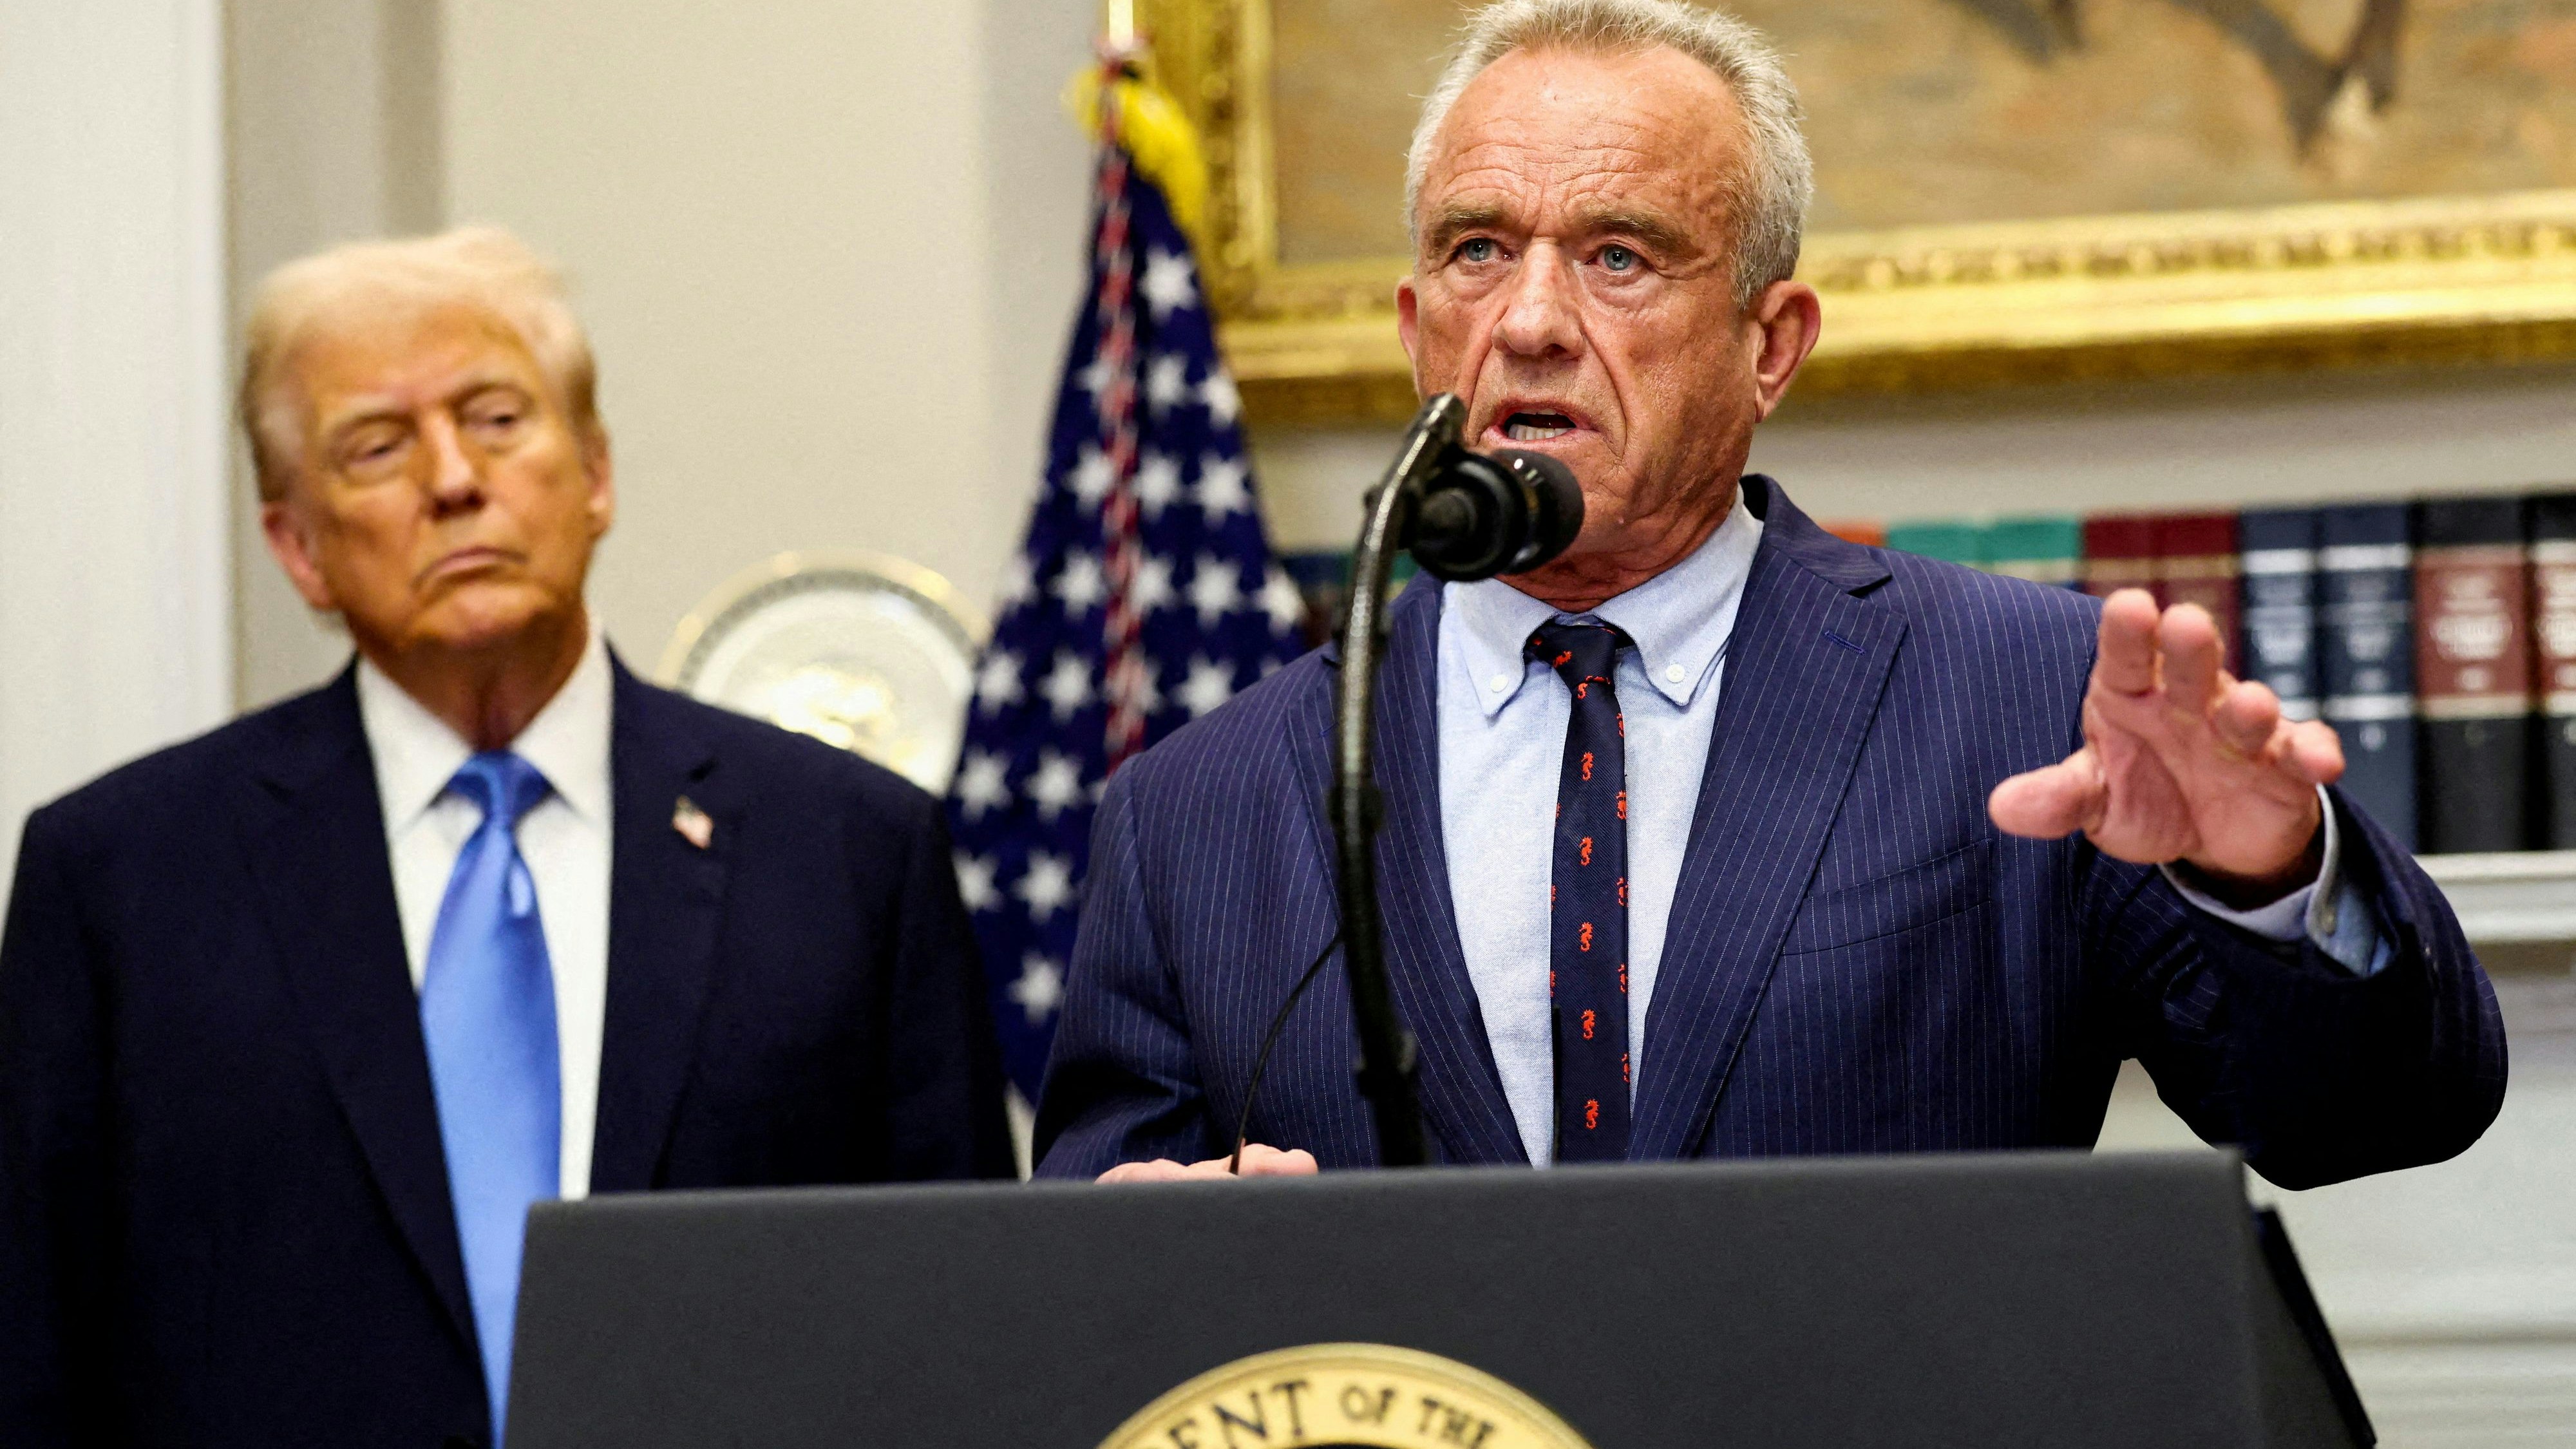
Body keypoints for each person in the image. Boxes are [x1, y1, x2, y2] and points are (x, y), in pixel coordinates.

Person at [1034, 0, 2504, 1184]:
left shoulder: (2024, 701)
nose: (1531, 322)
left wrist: (2260, 881)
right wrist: (1165, 1256)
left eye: (1618, 256)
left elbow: (2374, 1120)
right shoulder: (1196, 810)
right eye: (1478, 251)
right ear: (1419, 330)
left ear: (1770, 343)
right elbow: (1102, 1298)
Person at [0, 228, 1014, 1449]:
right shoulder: (124, 881)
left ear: (595, 474)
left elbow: (958, 1335)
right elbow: (36, 1358)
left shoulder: (850, 852)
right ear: (298, 548)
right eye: (376, 446)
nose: (453, 480)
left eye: (495, 419)